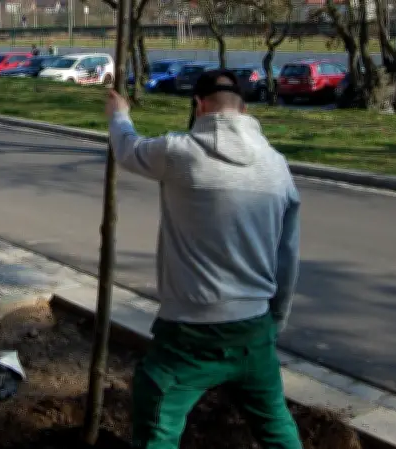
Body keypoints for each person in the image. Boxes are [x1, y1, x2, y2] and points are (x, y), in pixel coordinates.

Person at [105, 70, 302, 449]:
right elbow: (288, 254)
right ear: (244, 110)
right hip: (253, 330)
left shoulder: (179, 152)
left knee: (157, 421)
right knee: (275, 424)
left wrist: (119, 113)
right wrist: (274, 320)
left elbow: (127, 149)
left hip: (188, 333)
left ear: (198, 106)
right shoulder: (278, 167)